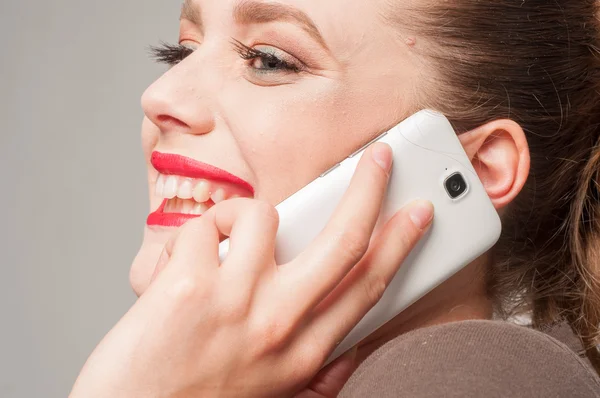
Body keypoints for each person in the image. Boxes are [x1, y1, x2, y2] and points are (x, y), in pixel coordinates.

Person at [70, 0, 600, 396]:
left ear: (478, 169)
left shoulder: (474, 376)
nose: (160, 96)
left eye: (269, 60)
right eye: (181, 52)